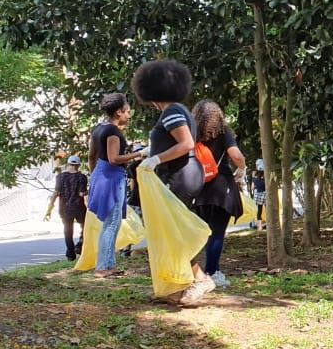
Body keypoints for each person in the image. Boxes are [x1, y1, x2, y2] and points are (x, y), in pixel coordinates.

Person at [131, 59, 215, 305]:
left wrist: (156, 158)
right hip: (183, 173)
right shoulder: (179, 110)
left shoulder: (171, 112)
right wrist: (151, 152)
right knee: (170, 231)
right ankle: (176, 286)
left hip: (180, 175)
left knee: (171, 232)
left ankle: (200, 279)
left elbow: (186, 143)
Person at [87, 92, 145, 278]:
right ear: (119, 112)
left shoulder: (98, 129)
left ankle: (109, 263)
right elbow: (113, 159)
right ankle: (103, 266)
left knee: (110, 223)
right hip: (111, 177)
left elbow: (91, 156)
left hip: (100, 175)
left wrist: (94, 176)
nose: (129, 115)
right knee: (112, 223)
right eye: (127, 112)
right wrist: (139, 154)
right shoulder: (113, 132)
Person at [192, 100, 246, 288]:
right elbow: (236, 155)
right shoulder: (224, 133)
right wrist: (242, 169)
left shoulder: (191, 133)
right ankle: (213, 271)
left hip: (198, 187)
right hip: (222, 188)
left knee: (200, 231)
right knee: (217, 233)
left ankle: (193, 272)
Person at [44, 155, 88, 261]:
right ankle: (80, 245)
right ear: (78, 165)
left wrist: (50, 208)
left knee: (68, 231)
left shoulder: (60, 177)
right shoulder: (81, 177)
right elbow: (82, 194)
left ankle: (70, 254)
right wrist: (88, 195)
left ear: (68, 164)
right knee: (85, 228)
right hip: (79, 207)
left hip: (64, 208)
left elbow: (56, 193)